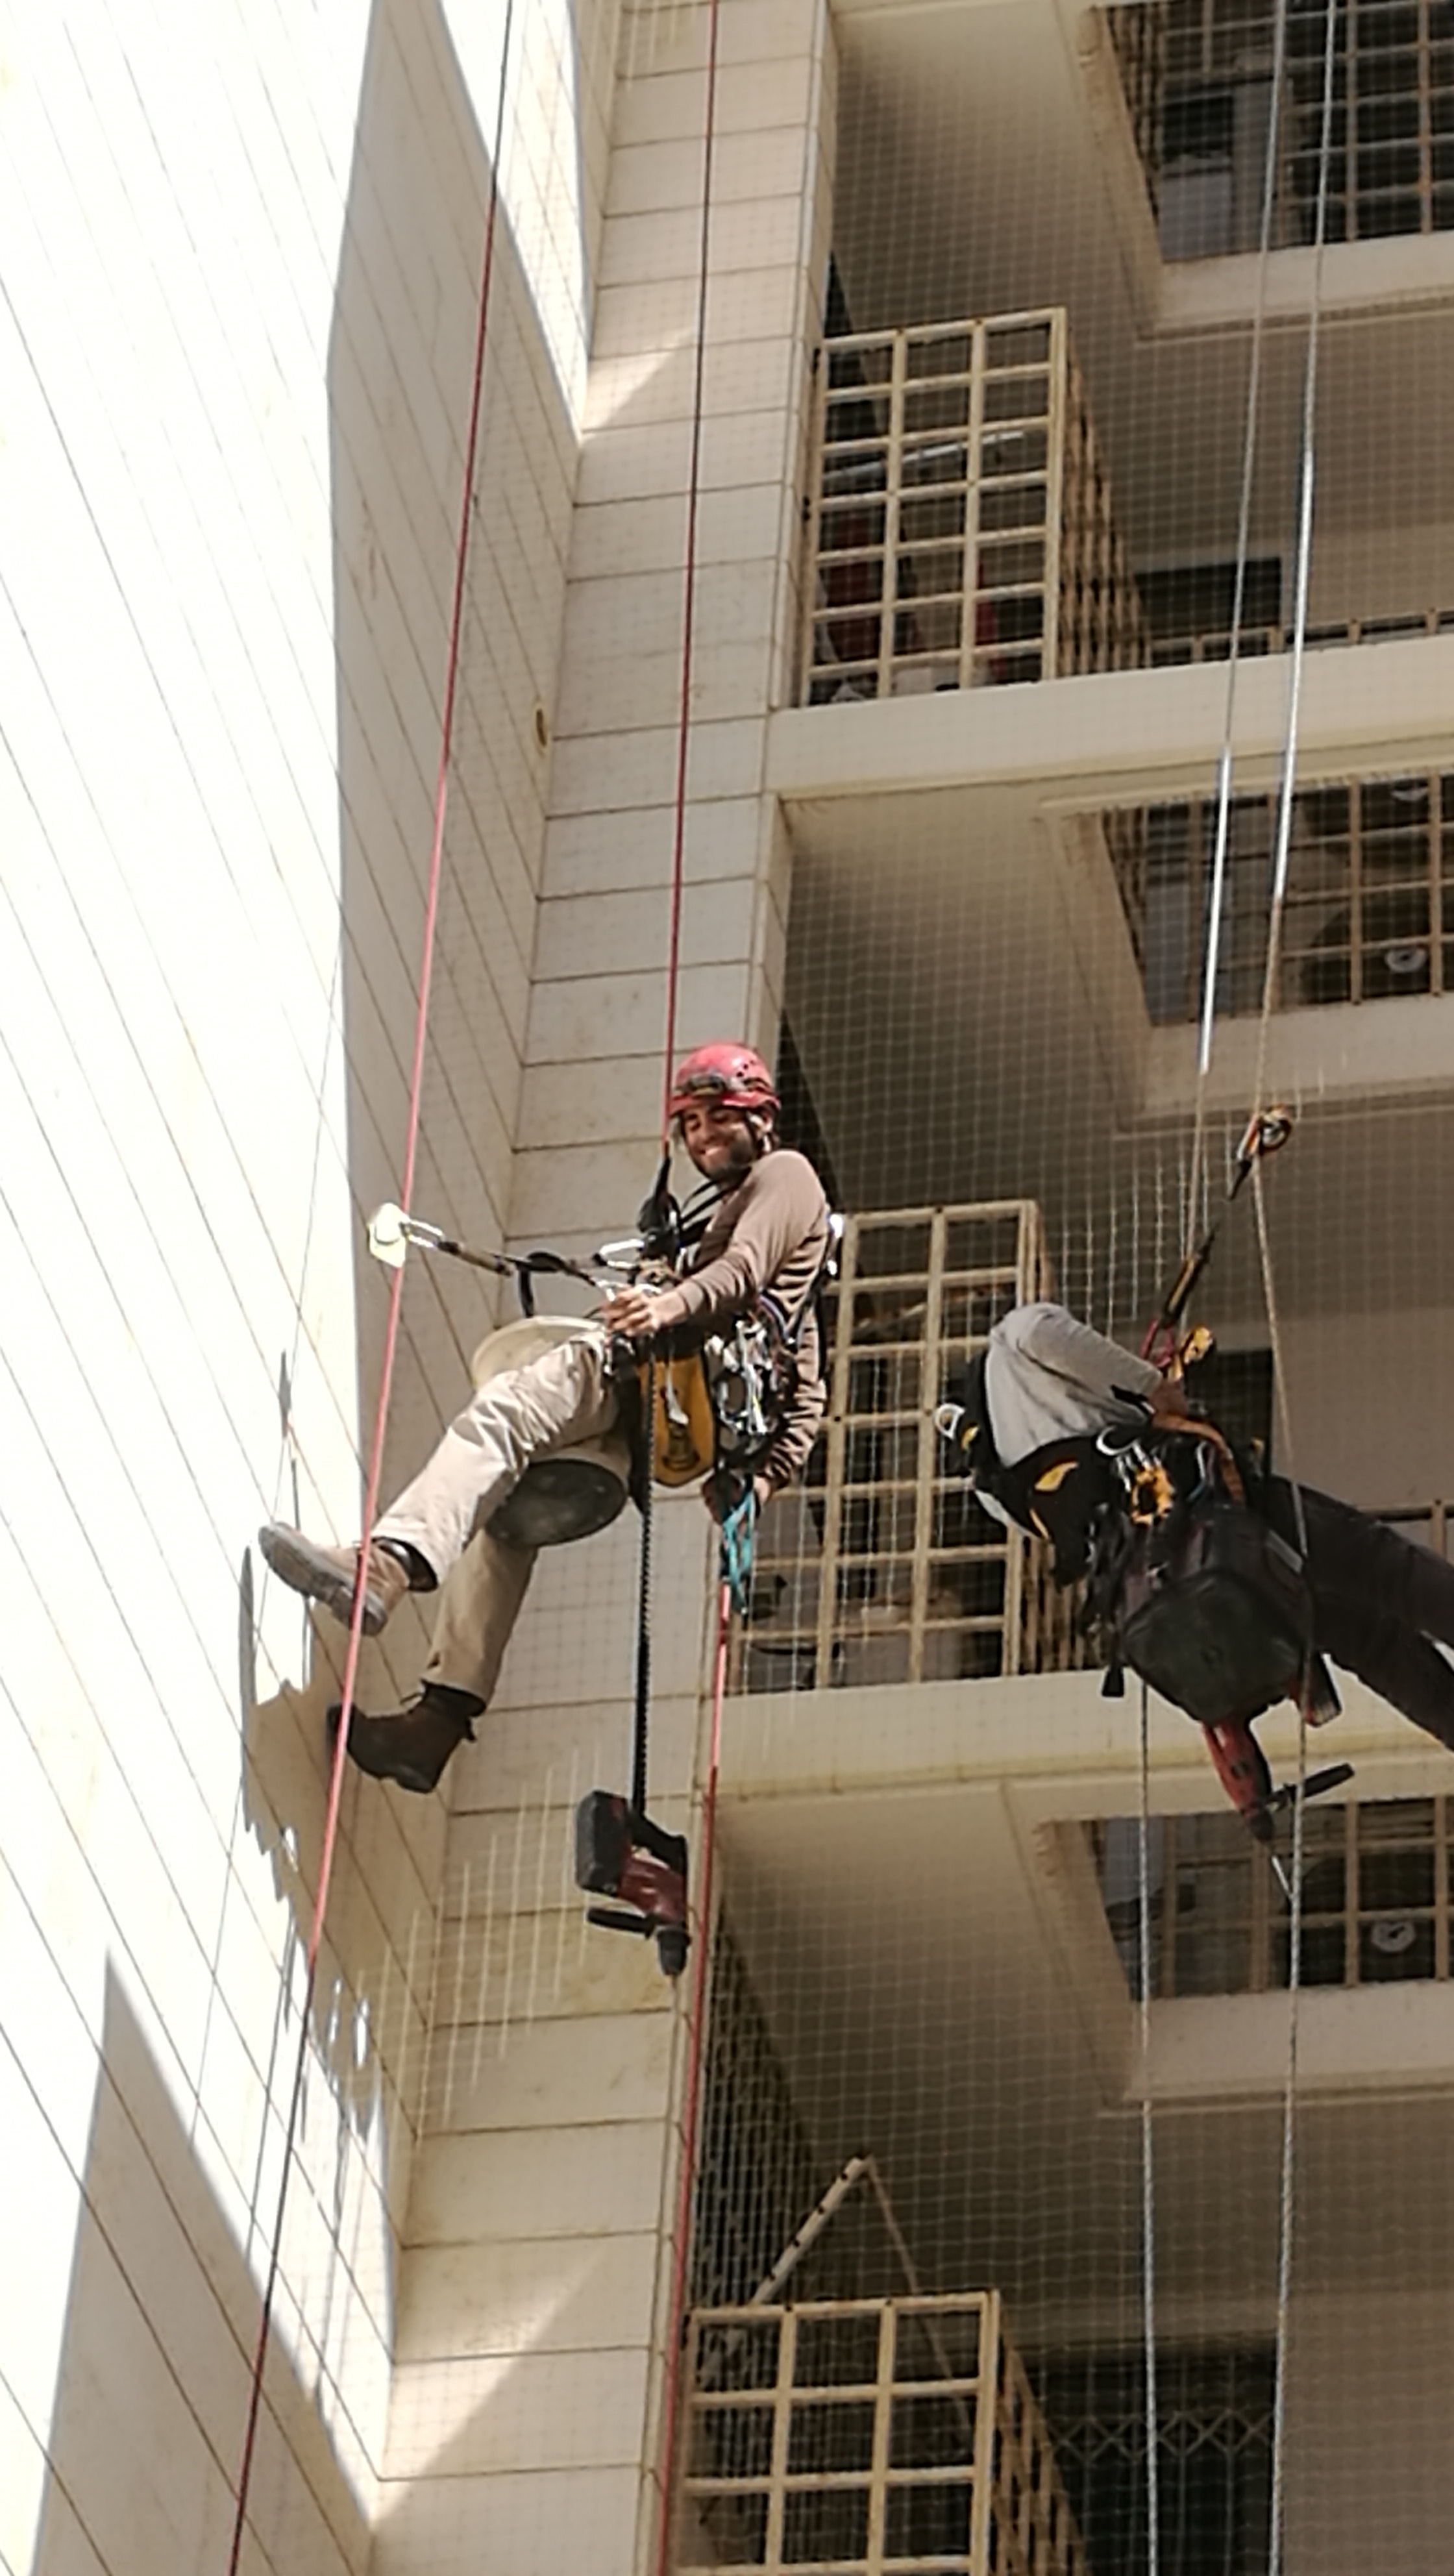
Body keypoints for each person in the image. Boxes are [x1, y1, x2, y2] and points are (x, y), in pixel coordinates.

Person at [258, 1043, 831, 1792]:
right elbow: (807, 1364)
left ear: (761, 1116)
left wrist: (662, 1306)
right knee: (503, 1510)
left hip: (651, 1373)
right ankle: (435, 1721)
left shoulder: (784, 1177)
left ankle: (387, 1564)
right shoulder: (735, 1222)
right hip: (660, 1418)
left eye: (718, 1116)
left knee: (503, 1409)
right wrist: (760, 1477)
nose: (700, 1137)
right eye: (688, 1124)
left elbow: (741, 1272)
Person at [949, 1300, 1454, 1765]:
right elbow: (1045, 1336)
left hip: (1178, 1587)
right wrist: (1156, 1388)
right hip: (1215, 1525)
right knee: (1383, 1566)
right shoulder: (1014, 1334)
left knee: (1368, 1638)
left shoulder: (997, 1489)